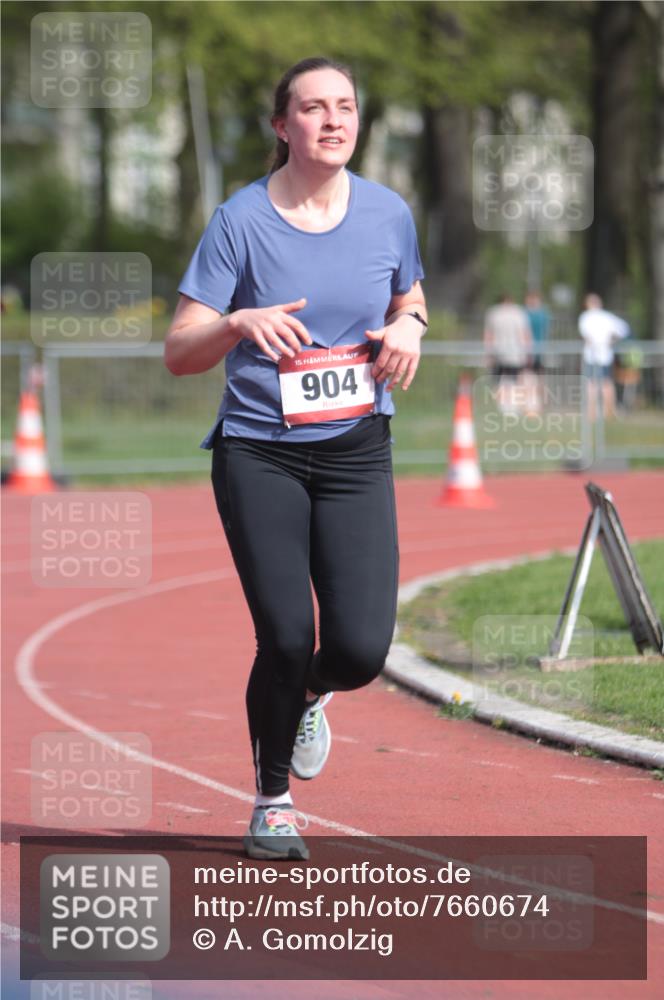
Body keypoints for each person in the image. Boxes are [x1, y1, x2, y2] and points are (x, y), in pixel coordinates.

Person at [165, 57, 427, 861]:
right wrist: (237, 322)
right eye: (312, 109)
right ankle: (271, 799)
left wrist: (411, 326)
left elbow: (407, 298)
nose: (333, 120)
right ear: (283, 127)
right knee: (283, 634)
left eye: (345, 106)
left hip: (355, 452)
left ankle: (310, 694)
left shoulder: (388, 214)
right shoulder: (239, 221)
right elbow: (179, 351)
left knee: (357, 649)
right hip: (259, 454)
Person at [578, 293, 630, 420]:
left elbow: (586, 336)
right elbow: (624, 329)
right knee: (606, 383)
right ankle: (608, 411)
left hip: (593, 355)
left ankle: (593, 412)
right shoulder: (607, 317)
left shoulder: (586, 317)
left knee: (592, 383)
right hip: (604, 355)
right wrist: (611, 341)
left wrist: (605, 342)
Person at [483, 293, 533, 414]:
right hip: (515, 353)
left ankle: (502, 407)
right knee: (514, 380)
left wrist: (487, 353)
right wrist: (528, 352)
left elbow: (488, 335)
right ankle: (512, 407)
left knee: (499, 381)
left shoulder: (493, 313)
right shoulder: (519, 313)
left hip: (498, 351)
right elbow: (525, 334)